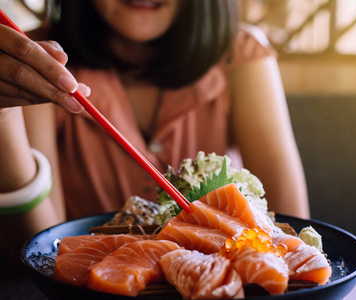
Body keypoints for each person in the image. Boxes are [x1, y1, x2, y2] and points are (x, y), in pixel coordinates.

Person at [0, 0, 309, 261]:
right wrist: (4, 116)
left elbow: (294, 243)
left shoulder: (241, 53)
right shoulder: (39, 61)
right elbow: (40, 254)